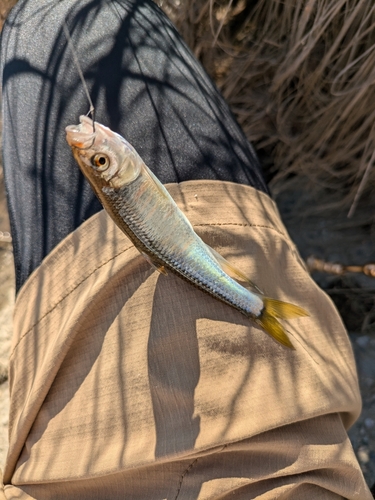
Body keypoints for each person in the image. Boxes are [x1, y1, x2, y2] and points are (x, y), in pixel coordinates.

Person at [0, 0, 372, 498]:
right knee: (67, 14)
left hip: (55, 450)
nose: (98, 147)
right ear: (118, 169)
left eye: (97, 158)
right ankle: (261, 310)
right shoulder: (123, 172)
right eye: (103, 160)